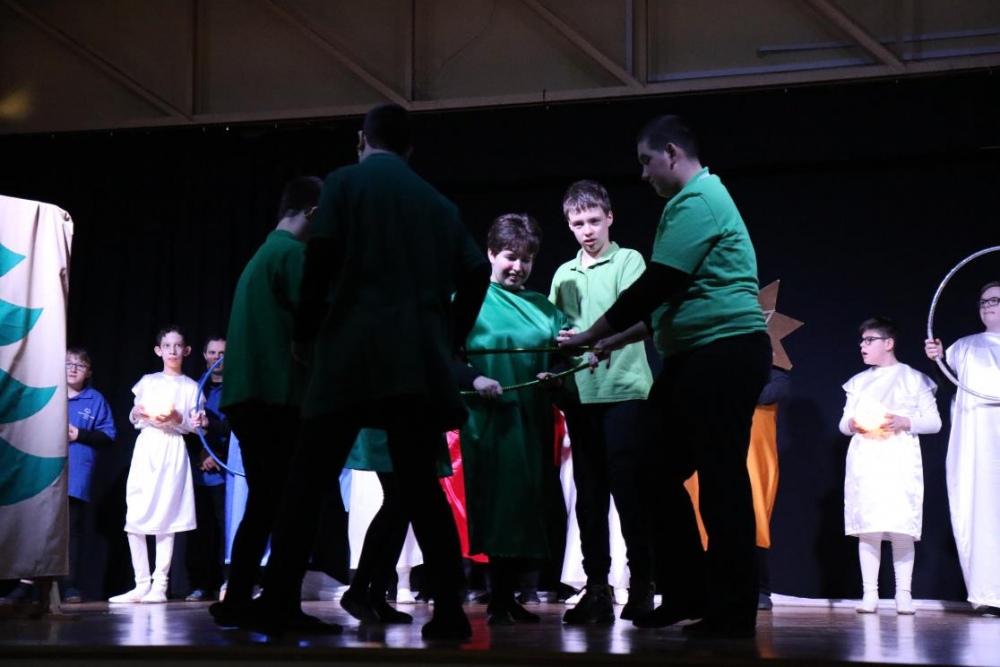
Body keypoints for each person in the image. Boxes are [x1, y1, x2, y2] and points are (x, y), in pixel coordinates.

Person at [246, 103, 490, 640]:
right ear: (410, 149)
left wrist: (305, 334)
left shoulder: (344, 183)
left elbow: (322, 256)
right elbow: (476, 273)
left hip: (348, 356)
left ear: (362, 139)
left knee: (307, 479)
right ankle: (449, 611)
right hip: (413, 363)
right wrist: (450, 336)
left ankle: (279, 598)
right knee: (420, 486)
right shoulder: (437, 203)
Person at [560, 114, 772, 639]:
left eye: (646, 161)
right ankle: (686, 593)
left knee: (720, 478)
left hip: (721, 352)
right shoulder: (689, 203)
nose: (643, 173)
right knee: (647, 469)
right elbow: (671, 301)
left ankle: (731, 610)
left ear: (672, 153)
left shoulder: (699, 200)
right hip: (694, 357)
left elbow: (658, 285)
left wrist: (592, 333)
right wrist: (613, 340)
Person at [209, 176, 322, 628]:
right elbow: (314, 321)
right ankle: (280, 604)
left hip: (246, 398)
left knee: (264, 501)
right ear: (314, 213)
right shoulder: (293, 255)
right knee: (295, 504)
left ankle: (237, 598)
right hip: (277, 397)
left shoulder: (261, 256)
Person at [456, 212, 572, 626]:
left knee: (525, 505)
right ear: (491, 253)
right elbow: (445, 354)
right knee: (499, 503)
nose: (518, 267)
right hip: (488, 422)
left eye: (526, 259)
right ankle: (497, 596)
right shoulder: (468, 300)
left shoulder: (544, 308)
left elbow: (563, 357)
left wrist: (556, 374)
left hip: (531, 421)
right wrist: (475, 377)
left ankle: (506, 597)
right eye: (510, 256)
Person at [548, 180, 655, 624]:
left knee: (630, 492)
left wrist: (598, 340)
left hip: (626, 391)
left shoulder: (628, 261)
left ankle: (642, 584)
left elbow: (641, 315)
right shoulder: (563, 274)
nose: (587, 231)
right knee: (589, 497)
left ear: (609, 217)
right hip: (581, 395)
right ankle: (596, 587)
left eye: (594, 221)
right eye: (578, 224)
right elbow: (555, 331)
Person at [841, 317, 941, 615]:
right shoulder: (858, 382)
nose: (863, 346)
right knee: (868, 528)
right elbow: (843, 425)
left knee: (901, 528)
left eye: (869, 340)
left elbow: (934, 423)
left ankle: (903, 594)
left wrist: (904, 421)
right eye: (862, 341)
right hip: (866, 459)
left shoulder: (914, 379)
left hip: (900, 460)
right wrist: (854, 424)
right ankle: (869, 594)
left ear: (888, 343)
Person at [110, 326, 204, 604]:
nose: (172, 351)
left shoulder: (191, 387)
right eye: (167, 346)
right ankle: (141, 583)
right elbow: (136, 417)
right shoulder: (147, 381)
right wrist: (135, 412)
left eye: (178, 346)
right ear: (158, 350)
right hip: (147, 446)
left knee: (166, 516)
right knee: (136, 515)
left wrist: (177, 418)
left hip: (172, 448)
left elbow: (194, 426)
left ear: (186, 350)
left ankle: (159, 585)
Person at [925, 281, 1000, 617]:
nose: (987, 306)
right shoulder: (966, 346)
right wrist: (937, 359)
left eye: (995, 300)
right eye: (983, 301)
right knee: (982, 509)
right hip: (978, 440)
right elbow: (950, 386)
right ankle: (990, 591)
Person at [182, 337, 229, 602]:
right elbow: (186, 427)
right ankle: (199, 584)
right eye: (212, 352)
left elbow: (235, 428)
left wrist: (217, 454)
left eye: (222, 353)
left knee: (225, 529)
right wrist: (201, 454)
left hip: (225, 472)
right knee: (199, 532)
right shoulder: (194, 388)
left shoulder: (235, 387)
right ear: (204, 355)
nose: (217, 358)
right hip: (199, 472)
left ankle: (227, 582)